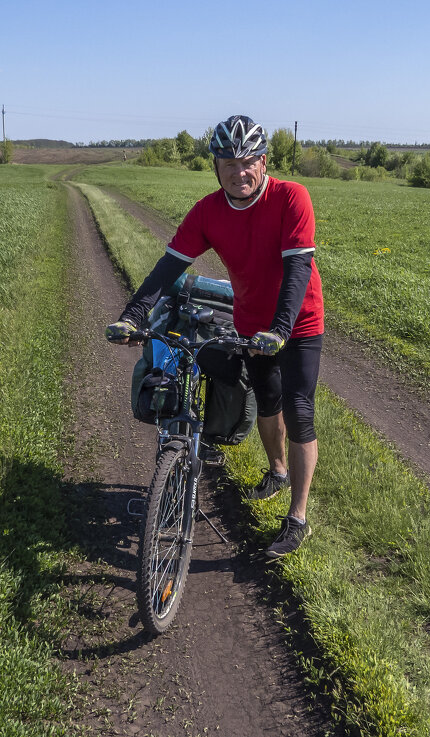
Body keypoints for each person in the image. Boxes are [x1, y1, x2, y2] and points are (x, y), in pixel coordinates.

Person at [105, 115, 324, 558]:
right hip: (249, 322)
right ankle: (277, 472)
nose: (238, 172)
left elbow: (298, 268)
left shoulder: (291, 197)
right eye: (228, 163)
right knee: (266, 400)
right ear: (216, 167)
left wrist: (280, 330)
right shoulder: (208, 211)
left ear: (263, 163)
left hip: (298, 323)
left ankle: (298, 517)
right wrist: (132, 315)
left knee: (299, 410)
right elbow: (170, 266)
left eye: (247, 162)